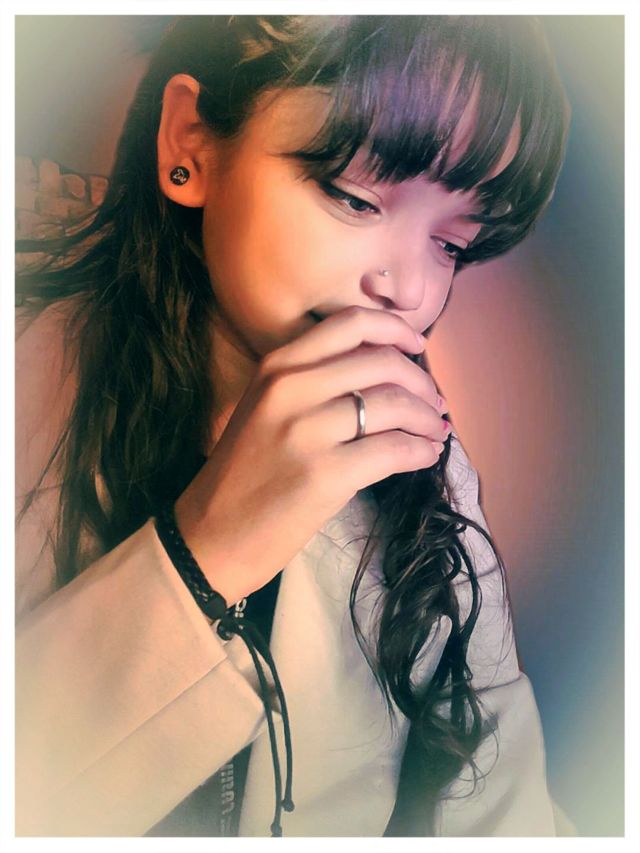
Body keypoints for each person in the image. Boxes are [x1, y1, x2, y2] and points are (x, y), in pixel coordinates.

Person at [15, 14, 572, 838]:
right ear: (191, 143)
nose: (410, 289)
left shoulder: (430, 469)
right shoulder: (29, 380)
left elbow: (501, 803)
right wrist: (207, 553)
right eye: (354, 196)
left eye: (452, 244)